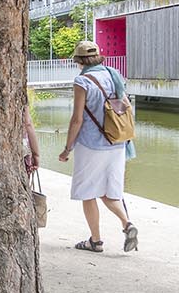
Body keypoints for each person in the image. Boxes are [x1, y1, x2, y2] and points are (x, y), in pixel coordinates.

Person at [58, 40, 139, 252]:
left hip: (91, 145)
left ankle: (95, 241)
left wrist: (67, 149)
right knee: (109, 192)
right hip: (117, 142)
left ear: (78, 60)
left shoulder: (82, 81)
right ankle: (127, 224)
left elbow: (77, 119)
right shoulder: (114, 75)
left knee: (88, 192)